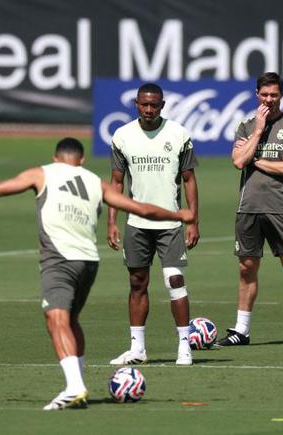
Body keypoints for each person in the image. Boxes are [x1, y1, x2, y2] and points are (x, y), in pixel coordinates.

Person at [0, 137, 194, 411]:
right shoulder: (95, 182)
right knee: (71, 320)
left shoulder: (42, 173)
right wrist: (179, 215)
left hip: (59, 259)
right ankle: (78, 384)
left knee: (56, 320)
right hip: (88, 262)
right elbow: (142, 209)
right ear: (82, 160)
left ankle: (74, 387)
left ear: (55, 157)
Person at [216, 72, 283, 348]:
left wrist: (254, 158)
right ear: (256, 94)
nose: (269, 100)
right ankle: (241, 330)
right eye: (264, 94)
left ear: (281, 95)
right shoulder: (246, 125)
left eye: (274, 95)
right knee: (246, 267)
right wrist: (258, 132)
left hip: (280, 206)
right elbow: (238, 162)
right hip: (248, 206)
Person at [106, 83, 200, 366]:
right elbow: (116, 183)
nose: (149, 109)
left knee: (174, 280)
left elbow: (189, 180)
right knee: (137, 283)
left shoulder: (178, 134)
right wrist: (112, 221)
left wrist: (193, 221)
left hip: (170, 223)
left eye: (154, 105)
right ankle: (137, 349)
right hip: (136, 223)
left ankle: (184, 346)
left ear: (163, 105)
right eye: (144, 104)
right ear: (136, 104)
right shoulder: (122, 136)